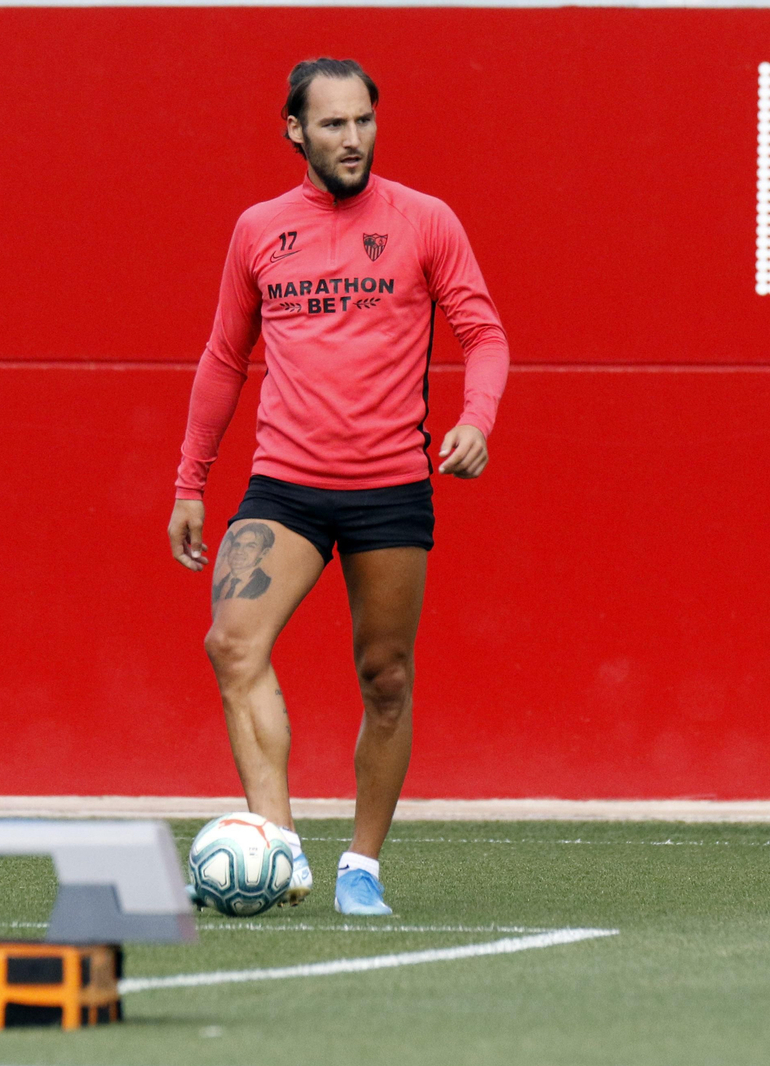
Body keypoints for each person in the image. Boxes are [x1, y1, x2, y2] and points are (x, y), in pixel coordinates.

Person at [166, 57, 509, 915]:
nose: (351, 138)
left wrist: (479, 418)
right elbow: (222, 360)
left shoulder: (425, 220)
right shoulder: (258, 230)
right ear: (295, 131)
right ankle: (277, 847)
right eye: (332, 124)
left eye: (363, 121)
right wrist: (189, 481)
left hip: (391, 486)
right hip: (285, 485)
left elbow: (485, 332)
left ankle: (360, 865)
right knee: (231, 644)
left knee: (385, 676)